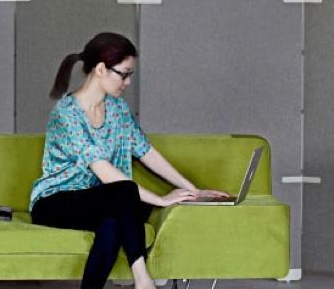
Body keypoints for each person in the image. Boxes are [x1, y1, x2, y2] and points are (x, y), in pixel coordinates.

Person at [29, 32, 228, 289]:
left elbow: (146, 152)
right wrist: (160, 199)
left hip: (102, 200)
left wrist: (194, 191)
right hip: (55, 203)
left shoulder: (118, 109)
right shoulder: (66, 114)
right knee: (125, 193)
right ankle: (143, 280)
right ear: (101, 69)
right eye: (124, 73)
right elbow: (104, 171)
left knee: (113, 224)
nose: (128, 82)